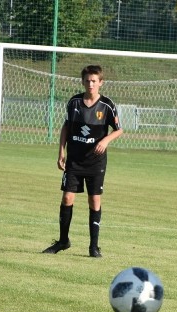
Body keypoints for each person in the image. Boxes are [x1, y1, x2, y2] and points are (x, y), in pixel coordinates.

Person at [42, 65, 123, 258]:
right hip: (74, 160)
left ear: (101, 82)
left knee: (94, 200)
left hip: (96, 162)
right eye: (87, 80)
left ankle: (93, 247)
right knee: (67, 198)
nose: (91, 84)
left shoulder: (107, 105)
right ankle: (63, 241)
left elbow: (119, 129)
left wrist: (105, 140)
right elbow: (66, 127)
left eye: (94, 81)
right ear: (83, 82)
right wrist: (61, 150)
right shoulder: (75, 102)